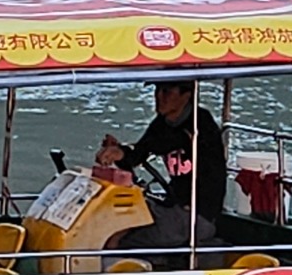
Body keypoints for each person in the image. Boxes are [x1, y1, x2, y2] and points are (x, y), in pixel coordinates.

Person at [95, 81, 230, 252]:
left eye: (166, 92)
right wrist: (119, 152)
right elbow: (139, 154)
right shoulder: (161, 123)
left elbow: (165, 143)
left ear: (186, 96)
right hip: (173, 204)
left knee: (122, 241)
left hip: (198, 215)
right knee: (115, 219)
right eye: (157, 90)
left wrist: (123, 151)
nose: (159, 97)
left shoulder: (200, 124)